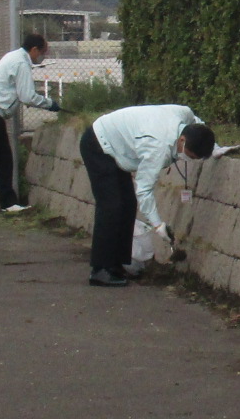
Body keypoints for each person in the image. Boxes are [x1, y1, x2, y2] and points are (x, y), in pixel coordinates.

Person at [79, 103, 216, 286]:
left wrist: (216, 148)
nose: (188, 159)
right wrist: (158, 225)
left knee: (127, 204)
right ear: (182, 141)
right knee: (111, 205)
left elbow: (196, 122)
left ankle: (118, 264)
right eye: (190, 156)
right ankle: (100, 270)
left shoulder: (184, 114)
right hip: (98, 144)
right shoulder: (156, 147)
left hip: (119, 146)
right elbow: (144, 190)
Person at [0, 33, 61, 213]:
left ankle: (8, 203)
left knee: (3, 160)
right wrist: (49, 104)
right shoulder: (21, 63)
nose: (42, 57)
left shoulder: (14, 57)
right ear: (34, 49)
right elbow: (27, 96)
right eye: (42, 52)